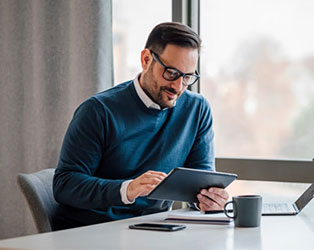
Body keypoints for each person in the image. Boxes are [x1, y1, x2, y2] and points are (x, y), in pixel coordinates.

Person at [52, 22, 229, 230]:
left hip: (154, 229)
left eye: (187, 77)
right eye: (171, 73)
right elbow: (65, 185)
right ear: (146, 59)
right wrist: (127, 189)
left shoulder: (197, 110)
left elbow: (199, 184)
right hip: (92, 231)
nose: (178, 86)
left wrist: (209, 199)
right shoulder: (98, 111)